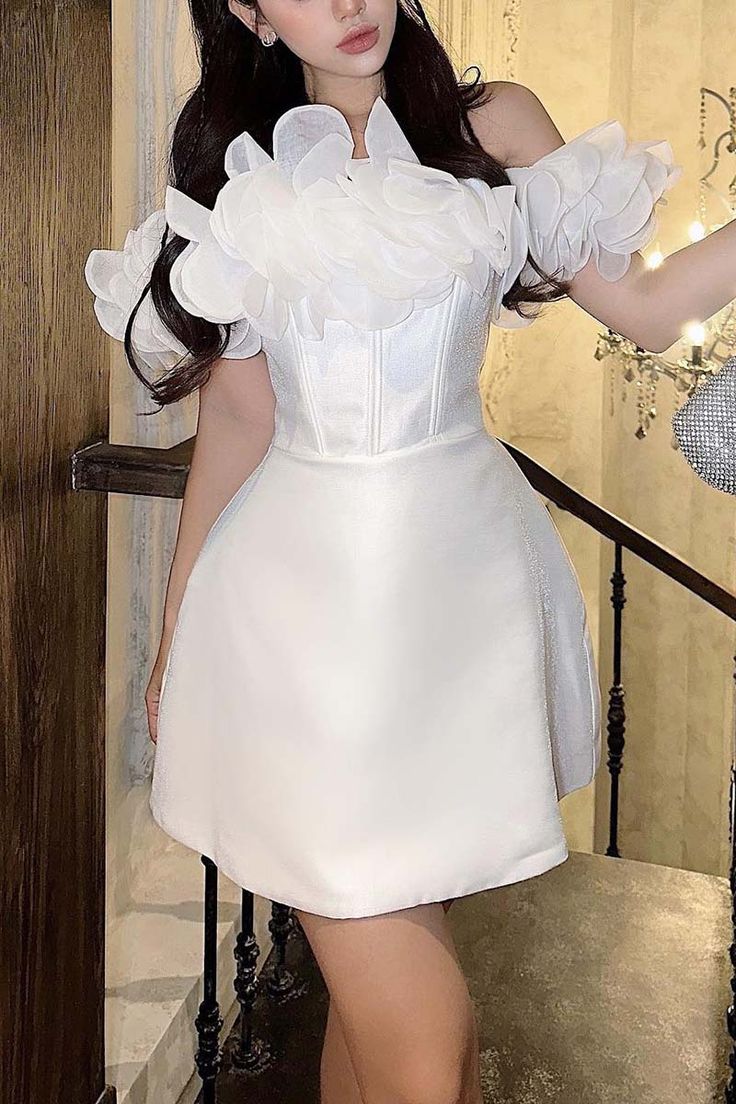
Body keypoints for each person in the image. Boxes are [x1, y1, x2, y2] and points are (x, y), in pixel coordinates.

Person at [84, 1, 736, 1100]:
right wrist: (176, 624)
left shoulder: (494, 123)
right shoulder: (237, 165)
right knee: (427, 1050)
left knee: (388, 1016)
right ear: (247, 10)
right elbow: (238, 420)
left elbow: (649, 307)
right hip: (298, 616)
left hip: (459, 606)